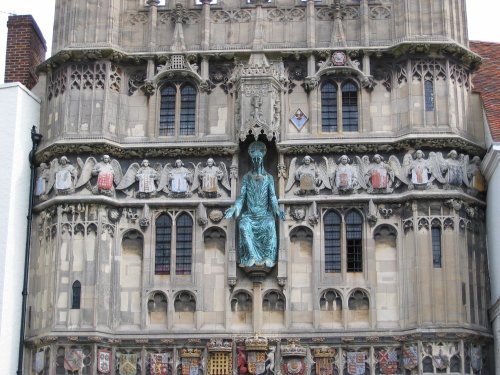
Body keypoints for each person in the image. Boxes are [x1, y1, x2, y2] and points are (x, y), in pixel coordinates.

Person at [225, 142, 285, 268]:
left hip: (264, 215)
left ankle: (268, 256)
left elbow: (272, 196)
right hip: (250, 216)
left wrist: (278, 210)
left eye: (259, 159)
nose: (257, 161)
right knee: (243, 226)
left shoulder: (268, 178)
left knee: (270, 225)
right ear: (252, 160)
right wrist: (234, 208)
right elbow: (242, 197)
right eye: (255, 159)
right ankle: (251, 256)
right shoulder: (247, 177)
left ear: (262, 159)